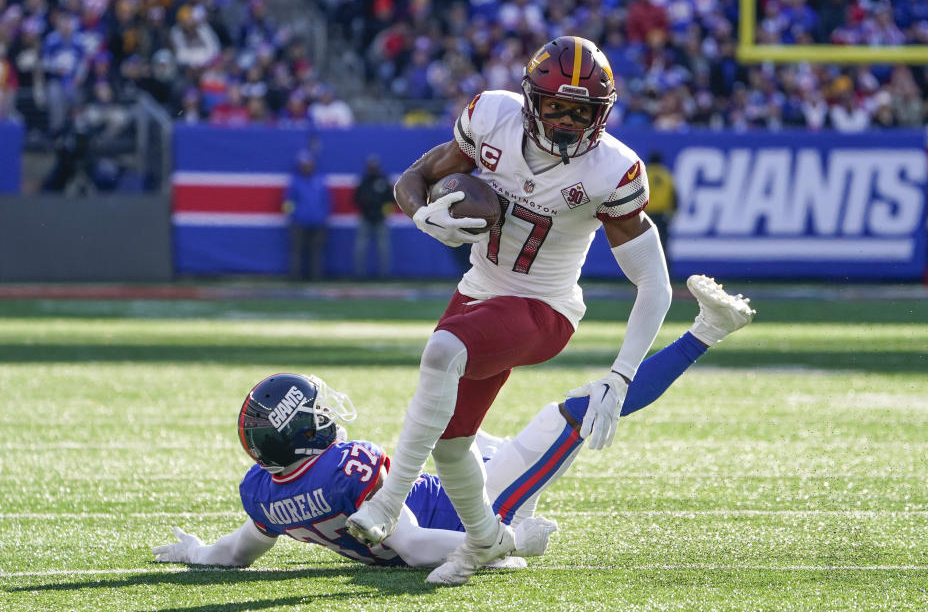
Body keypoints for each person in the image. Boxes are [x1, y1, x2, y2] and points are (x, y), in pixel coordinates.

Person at [347, 35, 674, 585]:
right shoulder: (490, 116)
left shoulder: (612, 169)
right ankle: (486, 539)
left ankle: (387, 502)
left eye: (583, 111)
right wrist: (425, 216)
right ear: (530, 100)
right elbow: (414, 179)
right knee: (452, 447)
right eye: (557, 106)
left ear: (603, 113)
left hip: (545, 308)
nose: (569, 122)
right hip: (480, 290)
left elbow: (655, 286)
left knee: (441, 351)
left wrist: (620, 376)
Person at [151, 276, 755, 571]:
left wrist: (196, 554)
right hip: (472, 507)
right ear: (301, 432)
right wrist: (504, 541)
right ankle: (708, 331)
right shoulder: (342, 469)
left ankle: (706, 331)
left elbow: (236, 554)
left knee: (471, 428)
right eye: (317, 412)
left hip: (453, 483)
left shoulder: (263, 491)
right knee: (578, 410)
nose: (328, 414)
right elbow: (413, 545)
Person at [286, 149, 330, 281]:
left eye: (309, 164)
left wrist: (323, 216)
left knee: (317, 252)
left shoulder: (320, 180)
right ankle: (295, 277)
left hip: (318, 222)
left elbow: (327, 201)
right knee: (296, 252)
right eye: (304, 164)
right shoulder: (295, 182)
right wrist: (294, 216)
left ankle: (316, 277)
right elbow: (288, 202)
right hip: (299, 222)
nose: (306, 166)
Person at [353, 155, 395, 279]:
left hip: (380, 219)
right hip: (365, 218)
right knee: (360, 248)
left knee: (384, 248)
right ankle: (359, 274)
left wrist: (383, 213)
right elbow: (355, 199)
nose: (372, 169)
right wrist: (365, 207)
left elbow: (390, 200)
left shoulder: (383, 181)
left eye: (374, 167)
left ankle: (385, 274)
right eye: (370, 167)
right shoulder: (363, 181)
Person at [643, 152, 677, 268]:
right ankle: (666, 277)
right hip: (661, 215)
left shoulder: (645, 172)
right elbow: (675, 197)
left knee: (644, 247)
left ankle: (641, 279)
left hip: (644, 215)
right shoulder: (666, 174)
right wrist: (672, 215)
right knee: (662, 246)